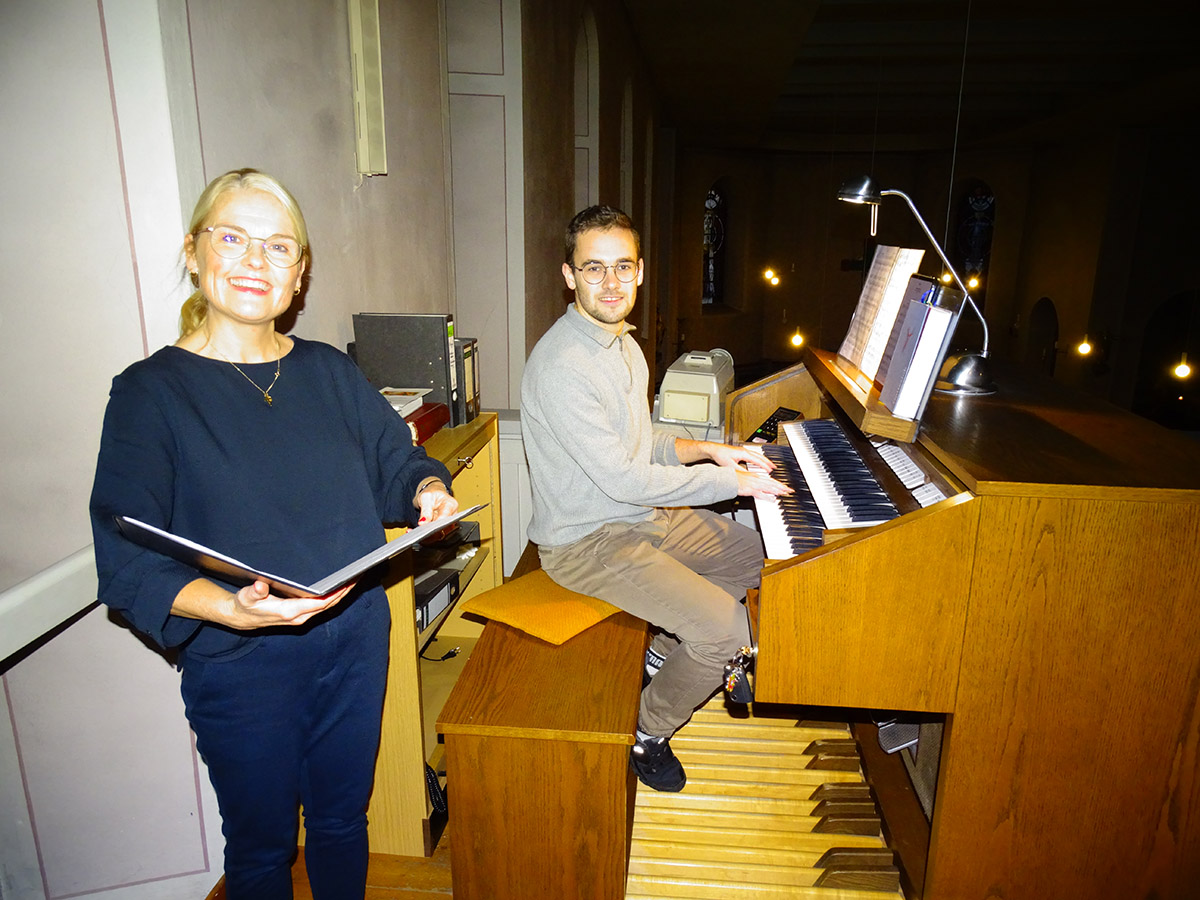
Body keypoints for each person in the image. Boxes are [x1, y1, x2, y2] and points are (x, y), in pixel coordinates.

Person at [89, 168, 459, 899]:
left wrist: (428, 489)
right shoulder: (150, 392)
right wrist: (229, 607)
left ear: (300, 275)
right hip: (242, 659)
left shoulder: (329, 372)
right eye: (233, 238)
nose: (255, 261)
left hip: (354, 636)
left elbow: (398, 460)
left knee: (341, 822)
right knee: (259, 851)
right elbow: (125, 554)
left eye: (278, 246)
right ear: (194, 253)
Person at [520, 204, 791, 792]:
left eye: (623, 267)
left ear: (640, 272)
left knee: (768, 564)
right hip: (587, 542)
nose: (611, 283)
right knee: (726, 631)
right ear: (570, 276)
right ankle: (648, 732)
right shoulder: (563, 366)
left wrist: (712, 451)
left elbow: (644, 439)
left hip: (640, 516)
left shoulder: (623, 346)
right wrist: (734, 483)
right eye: (594, 269)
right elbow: (624, 477)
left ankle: (667, 651)